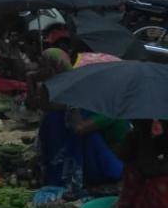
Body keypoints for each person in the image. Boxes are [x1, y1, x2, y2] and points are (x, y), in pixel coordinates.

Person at [31, 49, 123, 192]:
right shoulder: (90, 101)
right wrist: (38, 80)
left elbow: (79, 128)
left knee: (84, 133)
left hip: (113, 158)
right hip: (93, 154)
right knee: (53, 119)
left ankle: (74, 179)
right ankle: (54, 173)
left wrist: (74, 99)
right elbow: (47, 107)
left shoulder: (111, 109)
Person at [117, 119, 168, 208]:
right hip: (144, 178)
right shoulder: (140, 130)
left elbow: (123, 154)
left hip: (153, 179)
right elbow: (125, 154)